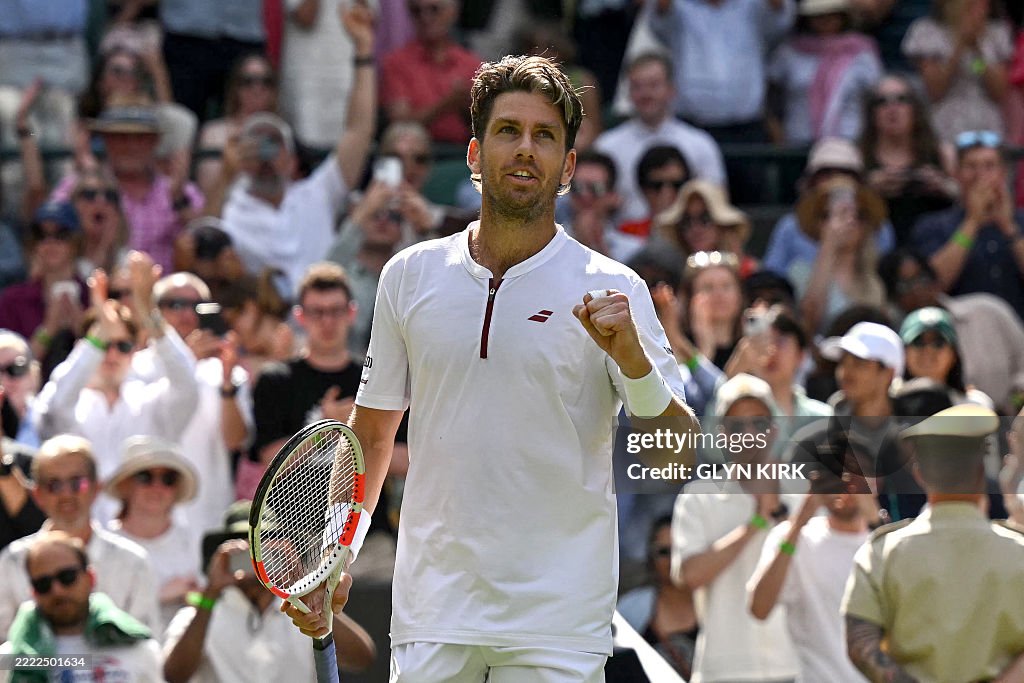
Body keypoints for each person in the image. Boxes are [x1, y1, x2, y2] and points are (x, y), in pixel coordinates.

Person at [284, 54, 697, 680]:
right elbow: (371, 438)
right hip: (432, 615)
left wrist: (634, 362)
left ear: (568, 167)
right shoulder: (407, 277)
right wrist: (336, 557)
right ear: (475, 155)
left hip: (557, 626)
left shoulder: (616, 286)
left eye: (544, 136)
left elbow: (680, 456)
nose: (525, 149)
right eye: (508, 131)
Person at [842, 404, 1024, 682]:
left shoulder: (883, 553)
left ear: (920, 475)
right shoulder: (1018, 551)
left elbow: (859, 643)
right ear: (979, 473)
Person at [215, 2, 377, 300]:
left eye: (273, 143)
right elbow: (202, 244)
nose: (265, 155)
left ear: (291, 160)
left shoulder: (316, 194)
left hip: (328, 321)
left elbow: (359, 130)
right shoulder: (231, 209)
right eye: (255, 145)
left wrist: (363, 49)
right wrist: (226, 177)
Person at [33, 252, 200, 522]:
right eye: (103, 346)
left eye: (122, 346)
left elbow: (188, 385)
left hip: (151, 541)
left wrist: (150, 315)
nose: (111, 355)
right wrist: (100, 331)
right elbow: (56, 408)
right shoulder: (73, 402)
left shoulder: (150, 401)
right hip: (84, 540)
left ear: (135, 351)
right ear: (83, 348)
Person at [672, 373, 800, 682]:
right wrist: (756, 522)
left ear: (773, 429)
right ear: (721, 433)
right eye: (737, 426)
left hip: (794, 665)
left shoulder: (801, 491)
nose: (748, 434)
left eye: (758, 423)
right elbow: (689, 576)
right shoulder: (698, 497)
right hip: (724, 670)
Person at [162, 500, 376, 682]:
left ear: (282, 550)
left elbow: (362, 658)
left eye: (264, 546)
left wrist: (305, 588)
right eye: (245, 549)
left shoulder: (302, 612)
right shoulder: (200, 614)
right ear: (224, 556)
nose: (255, 559)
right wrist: (210, 592)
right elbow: (174, 675)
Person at [0, 434, 159, 638]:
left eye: (77, 483)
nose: (66, 494)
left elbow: (146, 649)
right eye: (54, 485)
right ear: (37, 495)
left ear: (96, 488)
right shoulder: (11, 563)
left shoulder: (133, 563)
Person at [748, 469, 874, 683]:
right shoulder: (793, 537)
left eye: (854, 480)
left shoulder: (888, 542)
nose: (844, 490)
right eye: (835, 480)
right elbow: (759, 609)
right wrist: (799, 522)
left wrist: (873, 516)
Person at [0, 532, 163, 682]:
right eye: (43, 584)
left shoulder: (139, 650)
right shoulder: (11, 661)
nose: (57, 590)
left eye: (67, 577)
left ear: (90, 578)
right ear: (33, 592)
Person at [878, 248, 1024, 413]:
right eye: (904, 285)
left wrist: (1015, 405)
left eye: (939, 343)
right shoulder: (893, 405)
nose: (917, 288)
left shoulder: (988, 311)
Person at [593, 52, 725, 224]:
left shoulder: (700, 144)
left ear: (671, 89)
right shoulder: (606, 146)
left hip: (684, 238)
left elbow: (718, 206)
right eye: (637, 87)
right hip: (621, 242)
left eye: (654, 85)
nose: (645, 94)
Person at [911, 130, 1024, 321]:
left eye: (989, 166)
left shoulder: (1020, 222)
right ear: (956, 174)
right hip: (960, 335)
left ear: (1003, 173)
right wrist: (972, 222)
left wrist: (1009, 228)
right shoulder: (933, 226)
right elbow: (932, 285)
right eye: (971, 166)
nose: (980, 175)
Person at [105, 436, 202, 632]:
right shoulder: (105, 544)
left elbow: (208, 603)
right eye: (145, 477)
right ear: (126, 485)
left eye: (168, 479)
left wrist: (196, 598)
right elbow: (103, 615)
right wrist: (160, 595)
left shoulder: (193, 540)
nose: (157, 487)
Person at [858, 74, 957, 246]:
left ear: (915, 109)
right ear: (871, 113)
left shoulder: (942, 153)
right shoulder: (858, 156)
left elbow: (967, 203)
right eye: (882, 102)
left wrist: (943, 186)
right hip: (874, 248)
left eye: (901, 100)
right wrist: (868, 190)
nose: (892, 108)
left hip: (935, 250)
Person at [767, 0, 882, 144]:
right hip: (798, 139)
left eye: (831, 15)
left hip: (850, 139)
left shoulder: (862, 52)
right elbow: (771, 97)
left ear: (842, 16)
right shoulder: (788, 52)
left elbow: (874, 95)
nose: (825, 20)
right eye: (818, 15)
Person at [902, 0, 1013, 143]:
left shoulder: (997, 32)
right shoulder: (927, 31)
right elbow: (936, 90)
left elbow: (998, 92)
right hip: (945, 123)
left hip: (986, 123)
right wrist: (960, 45)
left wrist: (976, 49)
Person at [794, 175, 889, 333]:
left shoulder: (873, 279)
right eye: (839, 214)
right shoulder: (800, 271)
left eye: (858, 214)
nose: (850, 221)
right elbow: (810, 321)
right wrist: (829, 244)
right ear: (821, 222)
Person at [380, 0, 482, 145]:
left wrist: (467, 106)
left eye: (434, 9)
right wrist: (447, 104)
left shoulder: (471, 63)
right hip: (416, 154)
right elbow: (400, 126)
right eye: (416, 11)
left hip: (463, 151)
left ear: (452, 13)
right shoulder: (396, 63)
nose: (425, 17)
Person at [617, 515, 699, 679]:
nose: (673, 559)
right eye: (664, 552)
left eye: (680, 550)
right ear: (651, 557)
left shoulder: (717, 606)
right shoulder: (629, 610)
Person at [196, 53, 279, 196]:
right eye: (248, 81)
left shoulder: (282, 134)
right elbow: (206, 191)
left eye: (266, 81)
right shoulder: (214, 133)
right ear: (236, 88)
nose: (257, 88)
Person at [653, 179, 757, 277]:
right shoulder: (672, 279)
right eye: (686, 222)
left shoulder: (751, 274)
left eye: (705, 219)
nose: (695, 229)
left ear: (723, 226)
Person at [899, 305, 993, 407]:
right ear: (903, 352)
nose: (928, 351)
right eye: (918, 342)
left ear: (954, 354)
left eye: (938, 343)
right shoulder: (888, 406)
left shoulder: (975, 406)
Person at [563, 150, 644, 264]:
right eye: (577, 187)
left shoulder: (633, 250)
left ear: (612, 195)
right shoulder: (547, 242)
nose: (585, 195)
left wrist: (598, 245)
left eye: (596, 189)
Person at [618, 145, 692, 240]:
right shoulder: (626, 233)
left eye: (677, 185)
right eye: (656, 186)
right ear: (643, 189)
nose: (666, 193)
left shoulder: (701, 235)